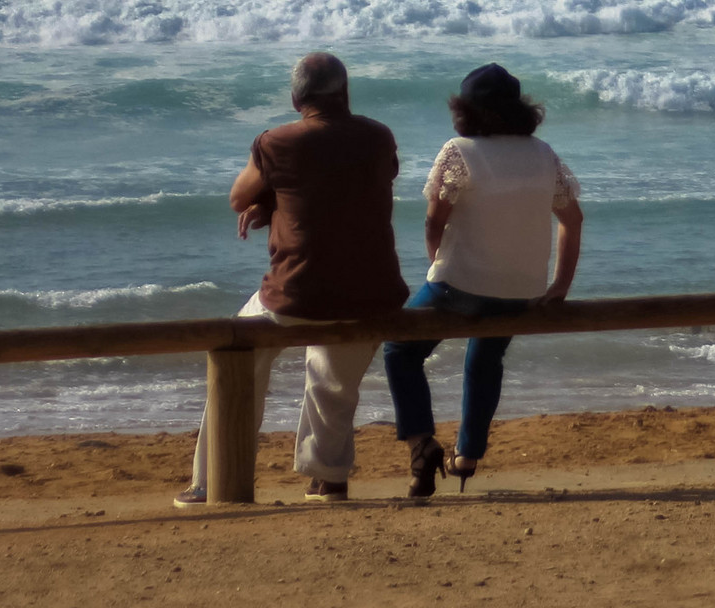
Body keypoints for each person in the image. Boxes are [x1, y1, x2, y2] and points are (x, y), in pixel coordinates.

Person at [173, 52, 407, 507]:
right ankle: (328, 479)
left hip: (297, 292)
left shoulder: (278, 141)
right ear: (345, 92)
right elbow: (349, 188)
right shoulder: (379, 137)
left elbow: (239, 197)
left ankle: (209, 480)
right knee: (334, 382)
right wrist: (280, 202)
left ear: (296, 97)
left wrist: (270, 202)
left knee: (238, 356)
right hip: (374, 293)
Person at [384, 63, 583, 497]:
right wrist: (559, 285)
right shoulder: (543, 154)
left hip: (458, 285)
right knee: (485, 358)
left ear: (465, 110)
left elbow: (434, 221)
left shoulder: (459, 151)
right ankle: (467, 455)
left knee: (400, 349)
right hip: (522, 291)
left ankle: (422, 446)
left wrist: (437, 266)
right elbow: (572, 218)